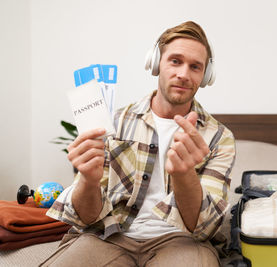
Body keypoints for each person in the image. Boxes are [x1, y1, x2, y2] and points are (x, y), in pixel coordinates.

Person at [42, 21, 236, 267]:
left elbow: (203, 228)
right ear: (155, 64)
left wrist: (184, 174)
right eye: (175, 61)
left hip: (181, 240)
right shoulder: (113, 123)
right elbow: (88, 217)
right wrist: (88, 181)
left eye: (195, 66)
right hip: (109, 235)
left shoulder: (219, 137)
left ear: (206, 76)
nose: (184, 74)